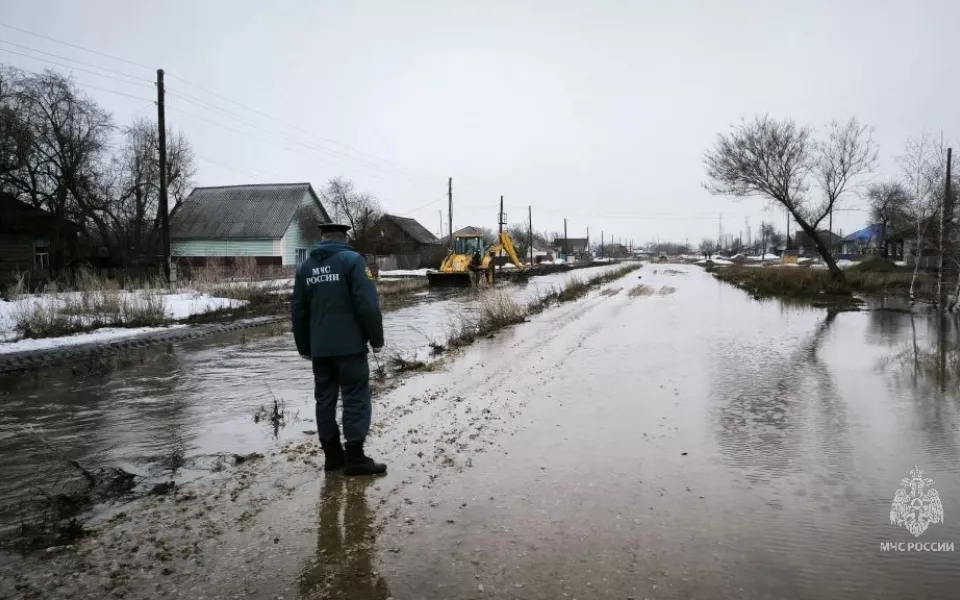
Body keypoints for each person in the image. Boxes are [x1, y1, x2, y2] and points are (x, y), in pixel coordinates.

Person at [292, 223, 387, 476]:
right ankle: (355, 458)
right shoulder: (352, 261)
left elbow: (298, 312)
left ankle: (333, 457)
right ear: (344, 238)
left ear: (322, 238)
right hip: (350, 347)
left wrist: (304, 347)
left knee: (324, 400)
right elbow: (367, 304)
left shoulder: (305, 268)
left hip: (320, 350)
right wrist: (376, 339)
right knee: (355, 397)